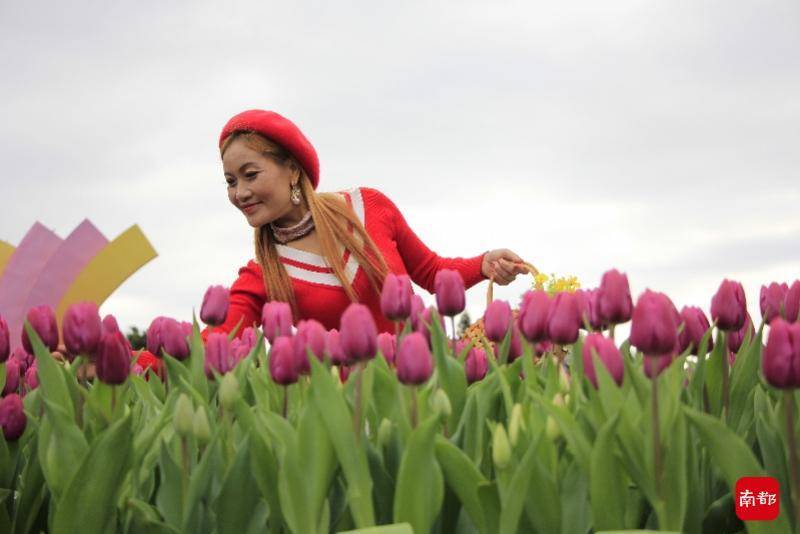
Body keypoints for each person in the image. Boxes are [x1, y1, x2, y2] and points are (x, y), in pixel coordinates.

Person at [207, 109, 530, 337]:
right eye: (230, 182)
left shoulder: (367, 207)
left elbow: (431, 272)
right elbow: (214, 342)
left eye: (250, 175)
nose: (240, 193)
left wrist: (484, 265)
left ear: (292, 169)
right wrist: (156, 358)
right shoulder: (264, 273)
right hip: (354, 415)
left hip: (425, 383)